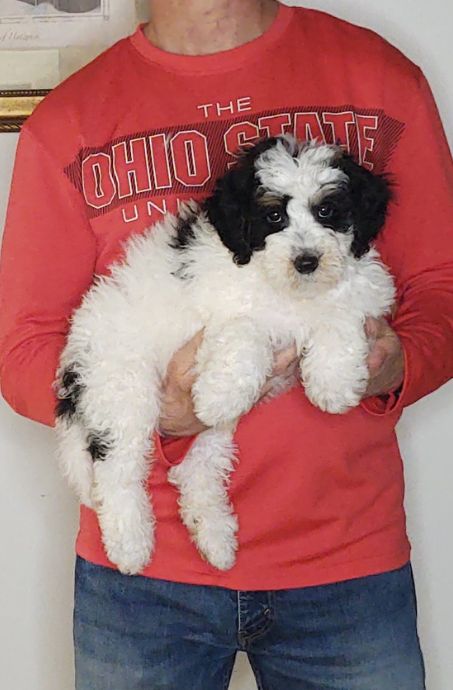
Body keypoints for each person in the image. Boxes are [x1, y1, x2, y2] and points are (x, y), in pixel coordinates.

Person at [1, 1, 452, 688]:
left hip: (347, 563)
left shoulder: (377, 76)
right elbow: (22, 351)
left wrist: (397, 365)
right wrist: (160, 412)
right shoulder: (67, 120)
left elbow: (440, 286)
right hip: (142, 583)